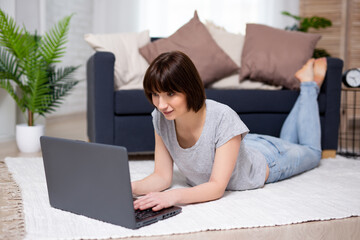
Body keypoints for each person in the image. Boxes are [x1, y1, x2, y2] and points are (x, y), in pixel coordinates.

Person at [132, 51, 327, 211]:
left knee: (312, 151)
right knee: (289, 140)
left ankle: (309, 86)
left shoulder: (223, 116)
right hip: (241, 145)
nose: (161, 104)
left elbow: (217, 187)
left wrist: (173, 196)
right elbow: (161, 176)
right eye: (155, 94)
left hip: (270, 158)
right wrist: (126, 188)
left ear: (189, 88)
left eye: (170, 94)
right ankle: (308, 88)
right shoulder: (160, 117)